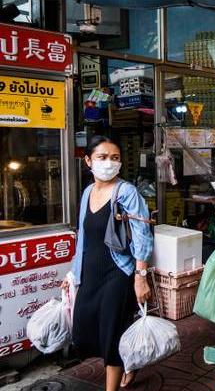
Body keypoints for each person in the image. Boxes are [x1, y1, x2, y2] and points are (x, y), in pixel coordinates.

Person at [63, 135, 153, 390]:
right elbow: (83, 236)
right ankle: (131, 362)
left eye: (115, 158)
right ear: (88, 161)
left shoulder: (127, 192)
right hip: (91, 272)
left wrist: (140, 276)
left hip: (118, 272)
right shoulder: (87, 192)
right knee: (83, 331)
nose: (109, 163)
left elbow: (142, 235)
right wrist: (73, 274)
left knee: (111, 331)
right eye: (102, 157)